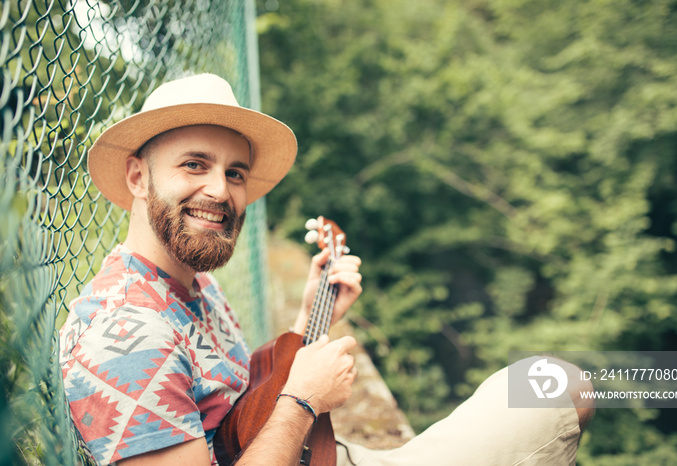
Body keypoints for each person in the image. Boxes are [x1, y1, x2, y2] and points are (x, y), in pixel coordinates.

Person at [59, 74, 594, 466]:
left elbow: (238, 423)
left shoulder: (193, 286)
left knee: (553, 385)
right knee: (559, 390)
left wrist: (309, 317)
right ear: (137, 176)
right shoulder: (122, 334)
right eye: (194, 164)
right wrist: (302, 400)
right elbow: (278, 413)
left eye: (235, 172)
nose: (220, 191)